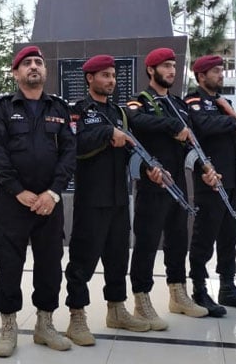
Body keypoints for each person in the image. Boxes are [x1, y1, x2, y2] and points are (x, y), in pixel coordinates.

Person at [0, 46, 74, 358]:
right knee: (8, 264)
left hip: (50, 202)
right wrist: (17, 190)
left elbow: (68, 153)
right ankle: (8, 328)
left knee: (50, 265)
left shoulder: (59, 108)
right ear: (16, 73)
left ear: (44, 71)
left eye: (38, 62)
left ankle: (45, 325)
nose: (34, 67)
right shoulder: (2, 108)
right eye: (27, 63)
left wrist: (53, 193)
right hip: (13, 202)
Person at [65, 55, 157, 347]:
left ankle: (116, 309)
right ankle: (77, 315)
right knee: (83, 260)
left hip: (119, 197)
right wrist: (107, 133)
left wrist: (148, 169)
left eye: (113, 75)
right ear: (90, 78)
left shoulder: (120, 112)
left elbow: (130, 150)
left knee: (118, 257)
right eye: (104, 75)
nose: (111, 80)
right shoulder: (78, 110)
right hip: (92, 198)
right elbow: (74, 147)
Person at [126, 48, 214, 326]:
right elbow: (135, 121)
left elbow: (191, 144)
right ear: (151, 70)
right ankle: (142, 300)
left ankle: (178, 294)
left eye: (174, 66)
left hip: (179, 183)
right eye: (165, 66)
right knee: (147, 244)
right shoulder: (139, 101)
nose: (172, 71)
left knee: (178, 242)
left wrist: (206, 169)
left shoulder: (178, 103)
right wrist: (171, 125)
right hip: (153, 185)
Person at [185, 55, 236, 316]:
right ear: (201, 76)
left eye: (221, 70)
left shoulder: (223, 103)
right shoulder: (195, 102)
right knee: (204, 237)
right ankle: (199, 289)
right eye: (215, 71)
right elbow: (203, 126)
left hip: (233, 181)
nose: (221, 74)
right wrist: (234, 122)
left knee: (230, 235)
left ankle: (227, 287)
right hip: (211, 182)